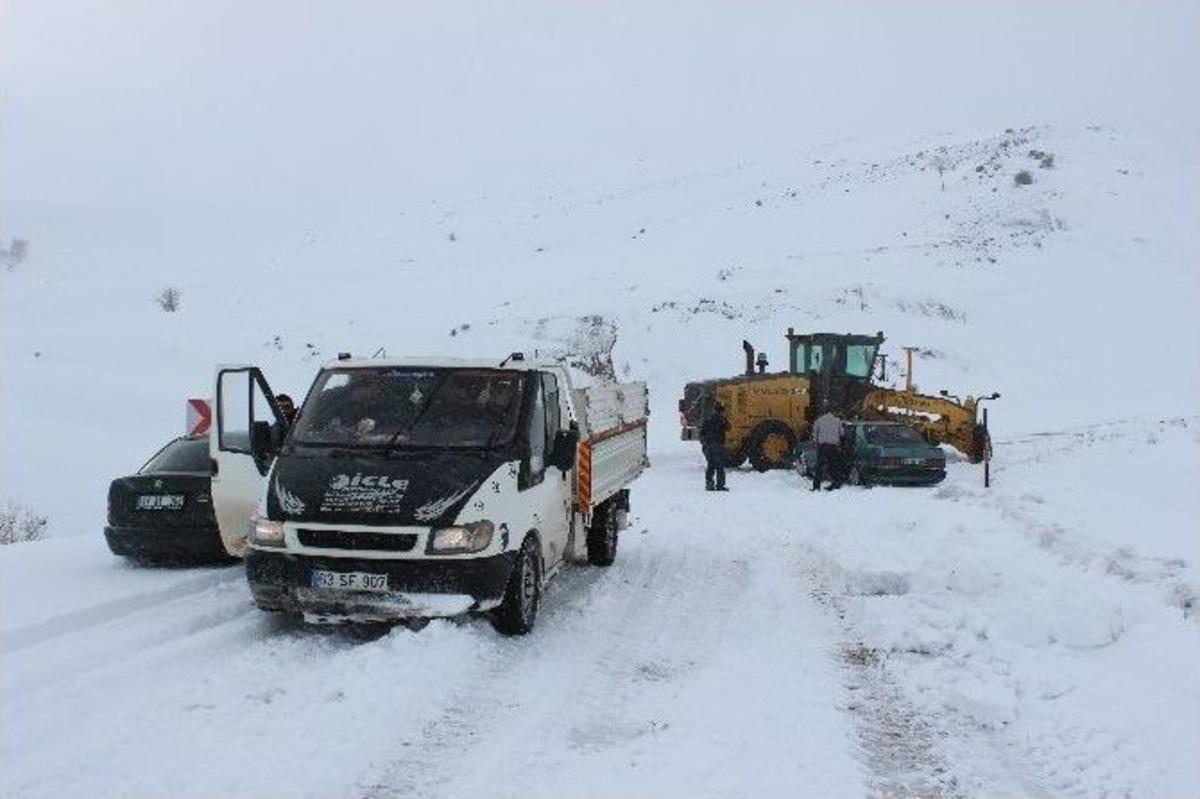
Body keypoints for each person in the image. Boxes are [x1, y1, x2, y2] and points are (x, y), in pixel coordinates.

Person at [810, 403, 844, 491]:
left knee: (819, 467)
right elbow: (842, 433)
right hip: (833, 447)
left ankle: (816, 486)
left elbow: (815, 434)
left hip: (822, 447)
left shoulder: (819, 420)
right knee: (833, 466)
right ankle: (836, 483)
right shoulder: (837, 421)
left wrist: (815, 443)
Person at [699, 402, 731, 492]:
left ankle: (709, 484)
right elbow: (729, 427)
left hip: (708, 445)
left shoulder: (708, 420)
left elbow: (701, 433)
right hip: (718, 445)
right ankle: (720, 485)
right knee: (720, 466)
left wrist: (704, 443)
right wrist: (725, 419)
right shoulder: (722, 420)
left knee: (711, 465)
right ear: (721, 411)